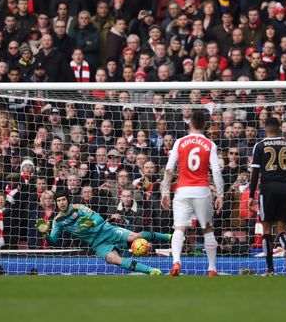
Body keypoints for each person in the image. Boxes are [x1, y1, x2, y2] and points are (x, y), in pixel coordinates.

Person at [37, 192, 170, 275]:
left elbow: (99, 219)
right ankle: (151, 271)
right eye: (59, 200)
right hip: (97, 243)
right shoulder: (58, 220)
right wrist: (45, 234)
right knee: (115, 260)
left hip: (107, 231)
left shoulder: (79, 208)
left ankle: (168, 237)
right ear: (56, 203)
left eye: (63, 199)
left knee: (135, 236)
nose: (61, 202)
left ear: (68, 200)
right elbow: (53, 241)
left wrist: (92, 223)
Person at [161, 110, 224, 277]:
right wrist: (220, 195)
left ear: (189, 123)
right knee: (207, 229)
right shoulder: (210, 144)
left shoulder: (180, 142)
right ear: (204, 125)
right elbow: (216, 171)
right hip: (202, 189)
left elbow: (169, 168)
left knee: (179, 228)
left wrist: (165, 191)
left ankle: (176, 261)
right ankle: (212, 268)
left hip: (182, 190)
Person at [248, 117, 286, 275]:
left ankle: (270, 269)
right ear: (279, 129)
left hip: (267, 189)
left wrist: (251, 194)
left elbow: (255, 172)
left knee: (266, 229)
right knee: (281, 229)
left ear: (265, 128)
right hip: (284, 188)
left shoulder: (260, 145)